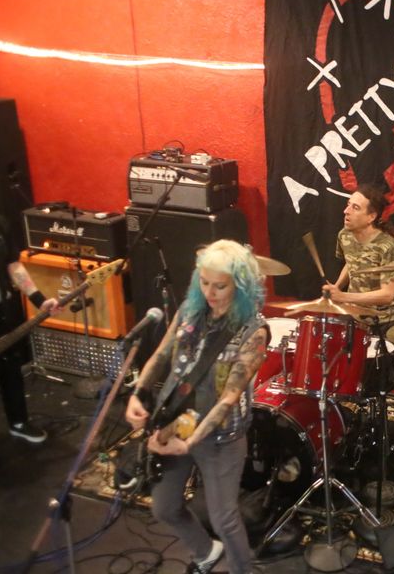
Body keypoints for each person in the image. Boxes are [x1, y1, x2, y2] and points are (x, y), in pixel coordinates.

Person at [125, 240, 268, 574]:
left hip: (221, 436)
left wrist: (190, 442)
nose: (210, 292)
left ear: (240, 285)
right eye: (204, 282)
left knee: (224, 518)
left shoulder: (254, 330)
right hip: (176, 422)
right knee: (164, 507)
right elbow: (161, 354)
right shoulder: (190, 309)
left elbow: (229, 398)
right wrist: (138, 394)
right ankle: (205, 552)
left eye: (220, 286)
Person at [321, 183, 394, 419]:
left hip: (389, 319)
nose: (346, 211)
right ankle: (345, 417)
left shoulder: (387, 245)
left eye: (355, 208)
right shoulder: (344, 235)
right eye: (348, 205)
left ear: (371, 216)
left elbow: (387, 294)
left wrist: (344, 296)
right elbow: (350, 262)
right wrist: (338, 286)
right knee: (339, 363)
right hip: (358, 317)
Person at [0, 181, 59, 475]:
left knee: (11, 372)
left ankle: (18, 422)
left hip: (2, 313)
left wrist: (38, 299)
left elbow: (13, 266)